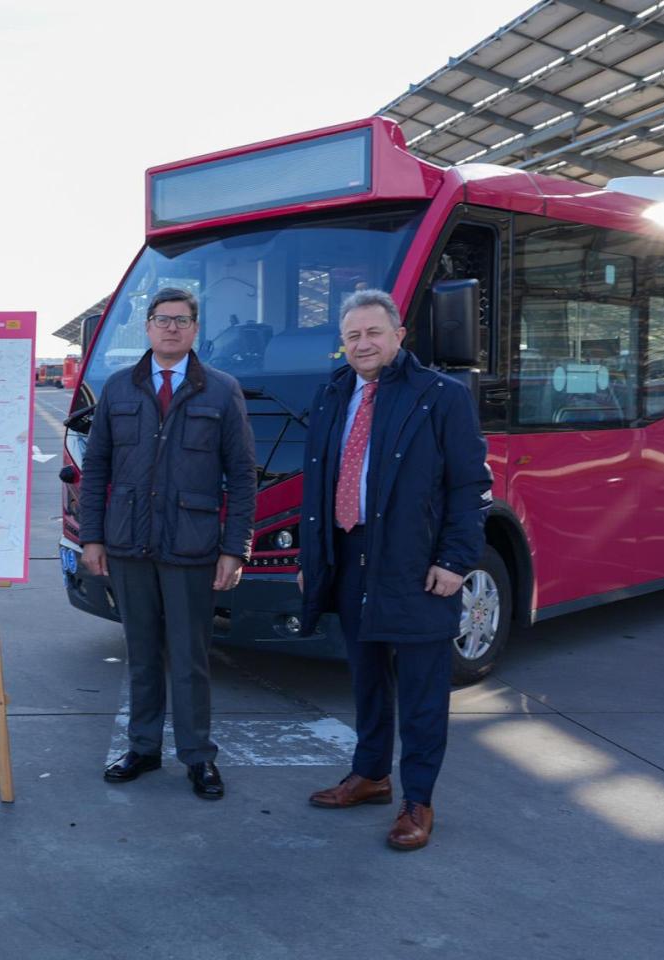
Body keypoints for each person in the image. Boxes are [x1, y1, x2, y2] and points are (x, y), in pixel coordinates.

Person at [296, 288, 489, 851]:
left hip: (416, 565)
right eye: (352, 335)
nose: (363, 343)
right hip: (349, 556)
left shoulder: (440, 396)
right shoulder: (333, 395)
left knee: (424, 691)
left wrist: (455, 560)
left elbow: (470, 485)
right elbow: (318, 484)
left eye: (373, 332)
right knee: (367, 679)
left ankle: (418, 801)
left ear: (399, 335)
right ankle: (371, 775)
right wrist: (315, 560)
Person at [78, 287, 256, 800]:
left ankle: (198, 757)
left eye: (182, 320)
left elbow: (242, 477)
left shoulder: (221, 391)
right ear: (148, 328)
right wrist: (93, 536)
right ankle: (144, 747)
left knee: (191, 656)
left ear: (196, 329)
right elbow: (97, 470)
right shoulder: (118, 389)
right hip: (129, 544)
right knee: (142, 653)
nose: (172, 328)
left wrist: (233, 547)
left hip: (191, 546)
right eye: (162, 320)